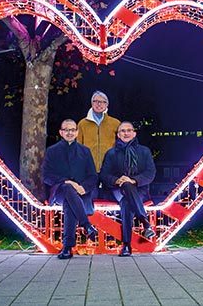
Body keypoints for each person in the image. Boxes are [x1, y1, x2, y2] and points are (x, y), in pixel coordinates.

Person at [42, 119, 99, 260]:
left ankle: (67, 247)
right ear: (61, 132)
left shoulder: (85, 151)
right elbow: (46, 176)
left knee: (70, 202)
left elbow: (93, 176)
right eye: (66, 130)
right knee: (68, 190)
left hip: (81, 193)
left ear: (77, 132)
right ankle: (86, 225)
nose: (70, 132)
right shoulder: (52, 151)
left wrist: (83, 188)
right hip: (60, 191)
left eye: (73, 130)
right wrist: (66, 181)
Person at [100, 121, 156, 257]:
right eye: (123, 131)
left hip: (140, 190)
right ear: (118, 135)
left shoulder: (144, 151)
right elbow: (104, 174)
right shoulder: (111, 153)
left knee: (126, 202)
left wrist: (133, 180)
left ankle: (126, 245)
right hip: (116, 189)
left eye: (129, 130)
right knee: (125, 186)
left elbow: (150, 173)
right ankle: (145, 223)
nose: (126, 133)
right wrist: (116, 180)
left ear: (134, 133)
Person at [77, 90, 120, 170]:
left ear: (107, 104)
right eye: (96, 101)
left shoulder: (115, 123)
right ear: (91, 103)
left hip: (110, 167)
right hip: (89, 167)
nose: (99, 104)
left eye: (102, 102)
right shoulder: (82, 124)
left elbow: (120, 145)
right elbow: (78, 146)